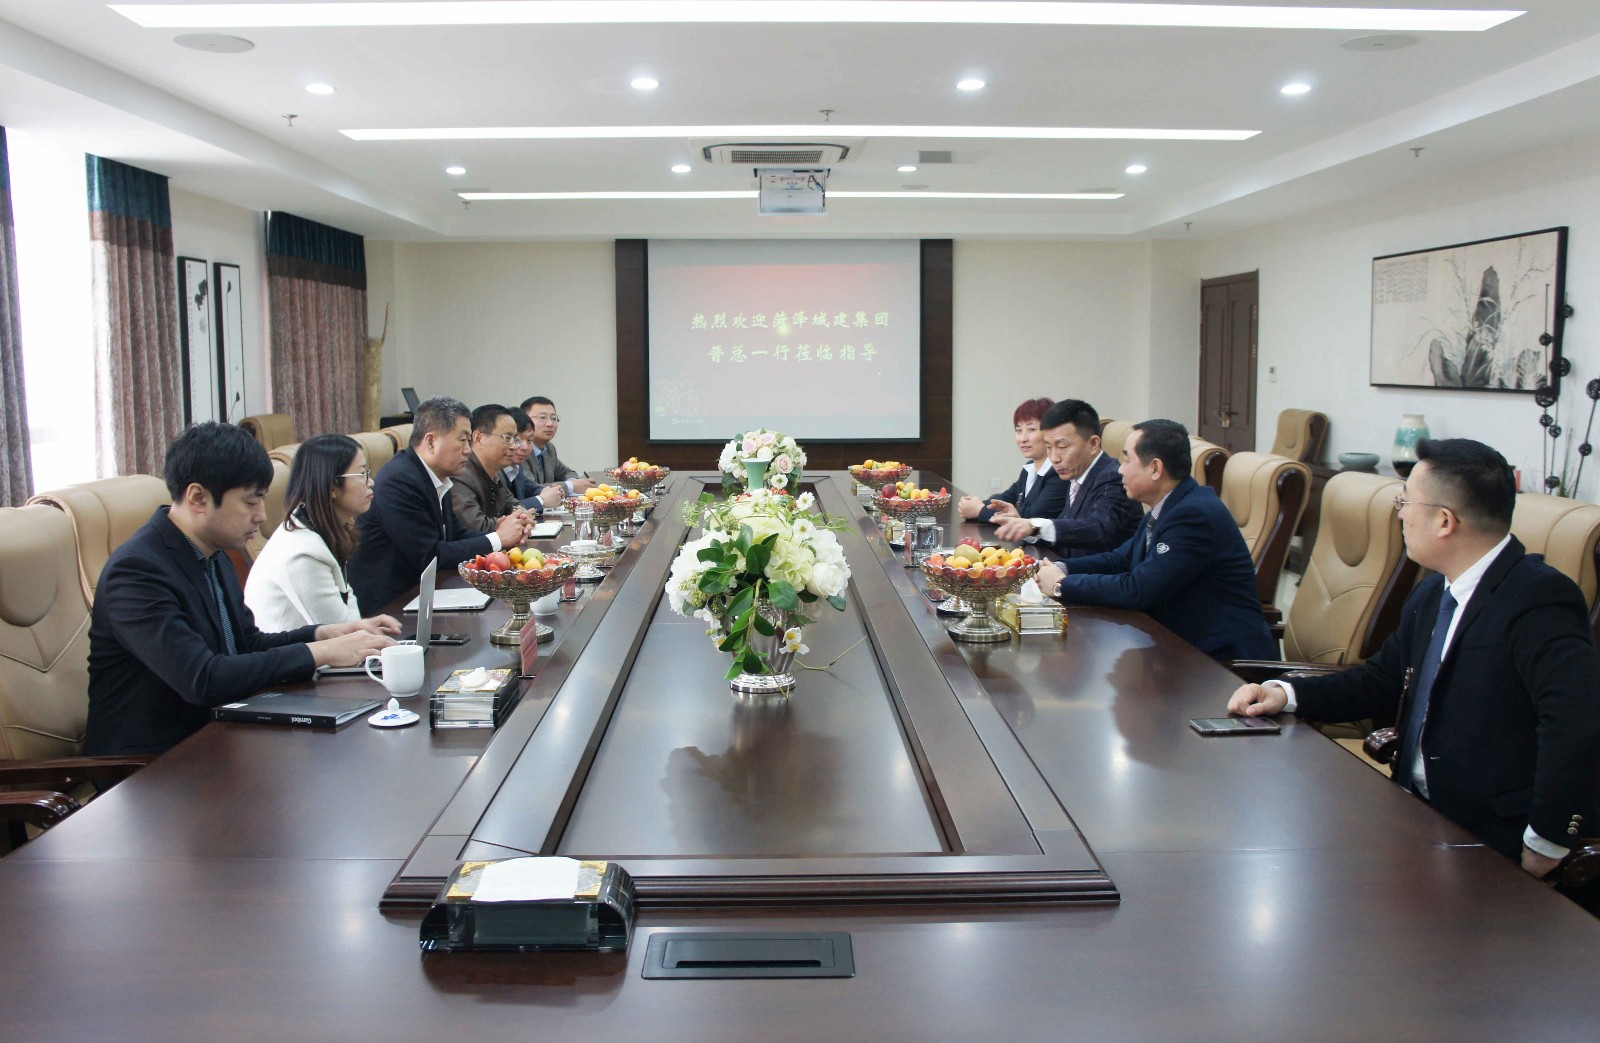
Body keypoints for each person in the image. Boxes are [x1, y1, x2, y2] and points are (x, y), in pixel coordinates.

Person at [1229, 438, 1600, 879]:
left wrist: (1547, 839)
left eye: (1405, 502)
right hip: (1414, 816)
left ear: (1444, 521)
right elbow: (1381, 681)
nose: (1400, 514)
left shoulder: (1537, 599)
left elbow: (1575, 722)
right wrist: (1286, 694)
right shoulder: (1433, 592)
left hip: (1490, 838)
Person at [85, 423, 399, 757]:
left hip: (220, 734)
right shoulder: (137, 572)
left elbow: (247, 643)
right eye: (250, 502)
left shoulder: (212, 553)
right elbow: (203, 679)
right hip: (153, 762)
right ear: (198, 498)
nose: (261, 515)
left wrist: (325, 634)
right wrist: (322, 652)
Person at [1034, 419, 1273, 661]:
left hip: (1221, 661)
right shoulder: (1170, 505)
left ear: (1156, 468)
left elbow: (1139, 589)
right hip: (1178, 645)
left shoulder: (1193, 516)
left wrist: (1062, 585)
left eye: (1127, 460)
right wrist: (1059, 568)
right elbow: (1119, 560)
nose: (1120, 470)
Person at [349, 396, 530, 614]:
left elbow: (455, 535)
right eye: (463, 440)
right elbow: (429, 556)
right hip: (392, 607)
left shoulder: (436, 476)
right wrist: (498, 539)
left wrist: (498, 530)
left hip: (427, 594)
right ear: (431, 442)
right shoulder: (399, 480)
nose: (469, 450)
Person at [245, 433, 373, 631]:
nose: (371, 482)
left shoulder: (323, 529)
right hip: (295, 651)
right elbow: (341, 633)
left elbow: (347, 604)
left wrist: (365, 627)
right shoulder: (303, 553)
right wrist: (363, 629)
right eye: (362, 474)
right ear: (331, 486)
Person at [992, 398, 1142, 559]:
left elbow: (1097, 528)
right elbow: (1067, 533)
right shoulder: (1077, 474)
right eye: (1048, 447)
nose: (1054, 458)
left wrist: (1035, 526)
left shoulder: (1112, 476)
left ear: (1093, 444)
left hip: (1100, 572)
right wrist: (1025, 528)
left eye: (1062, 447)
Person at [957, 397, 1066, 524]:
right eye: (1019, 430)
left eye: (1031, 429)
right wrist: (975, 504)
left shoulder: (1059, 471)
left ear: (1050, 431)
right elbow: (1006, 498)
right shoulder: (1030, 467)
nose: (1023, 439)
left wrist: (979, 510)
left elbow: (1032, 517)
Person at [452, 403, 533, 533]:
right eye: (507, 438)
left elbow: (513, 504)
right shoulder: (461, 474)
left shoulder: (497, 472)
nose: (514, 446)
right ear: (478, 438)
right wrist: (515, 522)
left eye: (515, 439)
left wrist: (522, 514)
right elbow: (476, 527)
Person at [521, 395, 595, 494]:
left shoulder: (549, 448)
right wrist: (571, 486)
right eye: (542, 418)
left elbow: (567, 473)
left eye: (553, 418)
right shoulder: (521, 450)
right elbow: (530, 489)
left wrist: (574, 482)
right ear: (525, 421)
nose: (550, 424)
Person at [502, 408, 564, 515]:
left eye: (530, 440)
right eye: (517, 439)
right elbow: (503, 511)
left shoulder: (516, 467)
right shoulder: (493, 471)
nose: (525, 447)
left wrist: (553, 491)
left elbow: (530, 488)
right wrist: (541, 500)